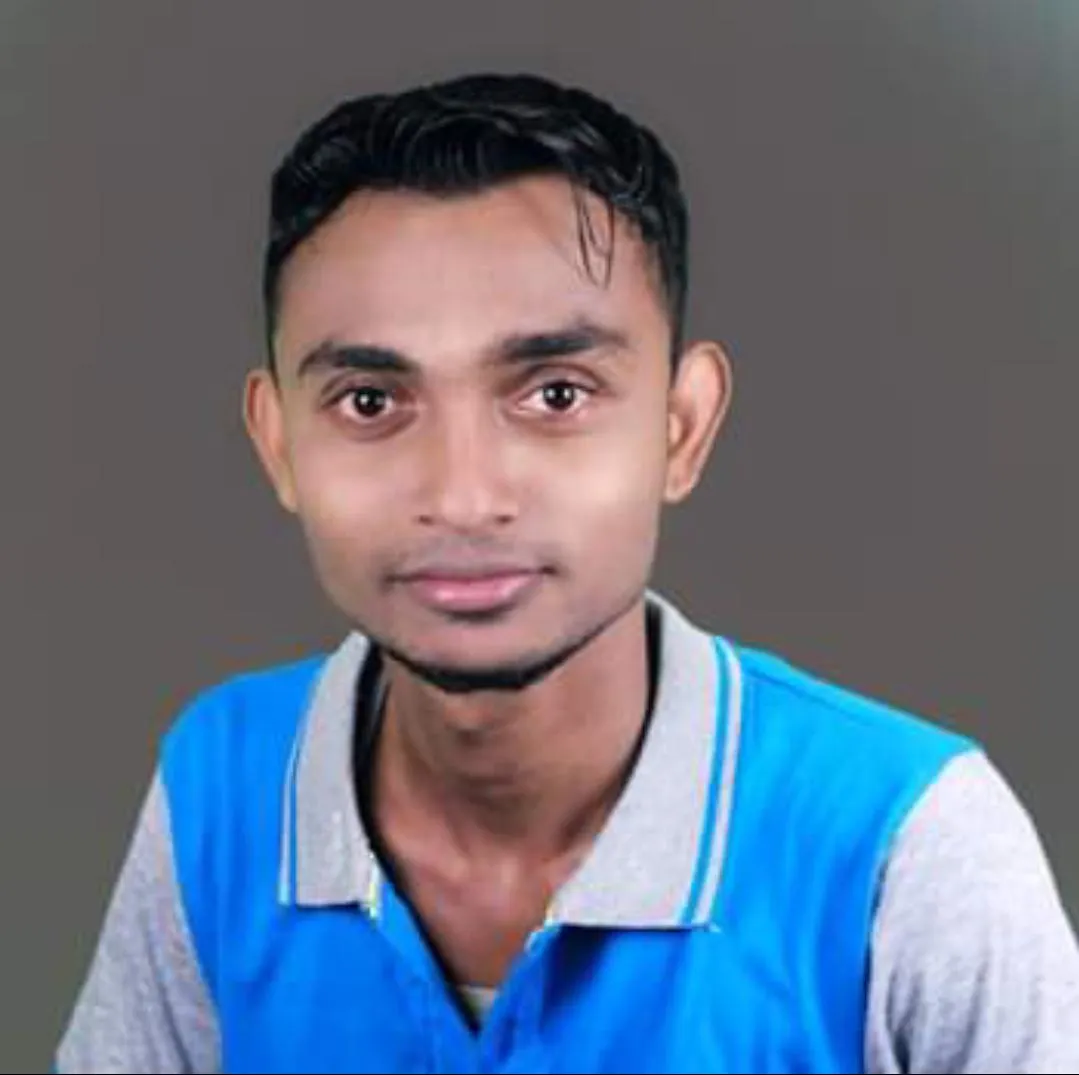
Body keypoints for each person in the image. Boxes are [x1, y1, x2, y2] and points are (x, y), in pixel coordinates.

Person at [55, 72, 1078, 1074]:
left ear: (680, 426)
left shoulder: (906, 844)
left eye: (555, 393)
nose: (462, 495)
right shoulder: (221, 782)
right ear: (278, 443)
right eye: (370, 401)